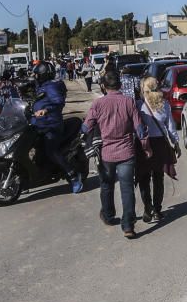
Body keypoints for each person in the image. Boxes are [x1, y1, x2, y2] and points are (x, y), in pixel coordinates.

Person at [82, 70, 146, 238]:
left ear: (103, 86)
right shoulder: (129, 102)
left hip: (106, 154)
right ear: (120, 85)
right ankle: (128, 226)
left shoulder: (98, 104)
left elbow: (86, 127)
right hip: (126, 152)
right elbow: (139, 128)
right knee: (127, 189)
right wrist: (146, 146)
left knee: (106, 185)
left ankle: (109, 215)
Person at [31, 62, 83, 193]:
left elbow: (59, 101)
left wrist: (46, 110)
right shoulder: (42, 86)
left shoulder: (51, 87)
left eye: (37, 74)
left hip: (51, 125)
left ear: (43, 75)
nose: (35, 77)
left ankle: (73, 175)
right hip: (38, 124)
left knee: (51, 150)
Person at [136, 77, 180, 223]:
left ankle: (147, 208)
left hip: (144, 145)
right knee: (158, 177)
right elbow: (171, 127)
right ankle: (157, 209)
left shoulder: (139, 105)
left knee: (144, 178)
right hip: (160, 144)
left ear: (144, 89)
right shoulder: (164, 104)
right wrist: (176, 143)